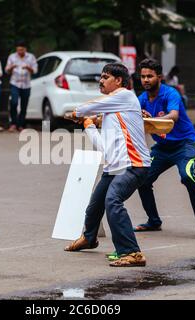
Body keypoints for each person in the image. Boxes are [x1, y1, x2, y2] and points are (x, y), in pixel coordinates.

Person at [64, 63, 151, 267]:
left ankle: (132, 252)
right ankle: (89, 237)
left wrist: (78, 114)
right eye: (100, 78)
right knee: (95, 204)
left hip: (134, 164)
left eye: (105, 77)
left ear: (118, 81)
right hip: (115, 167)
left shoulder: (125, 95)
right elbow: (103, 147)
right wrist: (89, 125)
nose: (101, 81)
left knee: (113, 200)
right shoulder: (112, 113)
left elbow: (88, 107)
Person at [133, 59, 195, 239]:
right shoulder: (142, 99)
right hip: (162, 147)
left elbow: (173, 116)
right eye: (143, 76)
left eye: (150, 76)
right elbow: (131, 118)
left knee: (187, 176)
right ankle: (153, 221)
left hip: (185, 144)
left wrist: (150, 119)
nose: (145, 80)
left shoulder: (171, 94)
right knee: (142, 179)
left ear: (159, 77)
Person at [5, 40, 38, 132]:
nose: (20, 52)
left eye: (22, 50)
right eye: (18, 50)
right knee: (14, 102)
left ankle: (21, 124)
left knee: (24, 105)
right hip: (15, 83)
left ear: (25, 49)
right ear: (16, 49)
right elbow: (7, 71)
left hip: (26, 84)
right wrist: (11, 67)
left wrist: (28, 67)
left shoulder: (31, 57)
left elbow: (35, 71)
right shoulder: (12, 57)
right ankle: (13, 123)